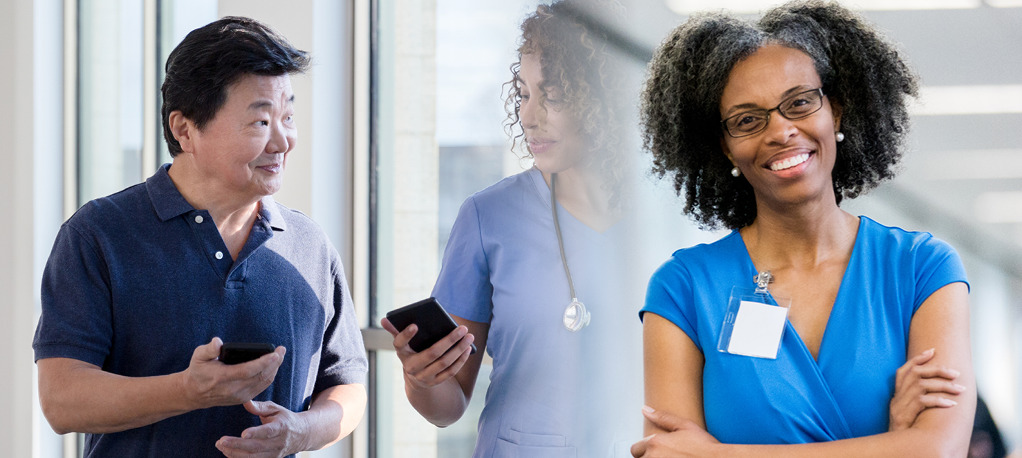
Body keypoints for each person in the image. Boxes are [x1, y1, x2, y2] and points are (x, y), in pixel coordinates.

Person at [631, 1, 975, 457]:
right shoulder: (684, 288)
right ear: (726, 148)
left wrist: (721, 454)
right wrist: (892, 443)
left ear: (837, 111)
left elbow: (937, 450)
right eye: (748, 120)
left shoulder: (921, 268)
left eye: (799, 103)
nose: (781, 131)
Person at [33, 16, 368, 457]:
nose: (283, 141)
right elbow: (62, 400)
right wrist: (190, 390)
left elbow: (347, 387)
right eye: (260, 122)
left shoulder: (308, 244)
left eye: (287, 116)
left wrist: (301, 431)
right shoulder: (98, 233)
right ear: (184, 129)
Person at [381, 2, 650, 456]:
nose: (529, 115)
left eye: (554, 96)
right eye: (524, 93)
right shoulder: (488, 216)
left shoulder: (671, 217)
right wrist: (420, 377)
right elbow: (449, 406)